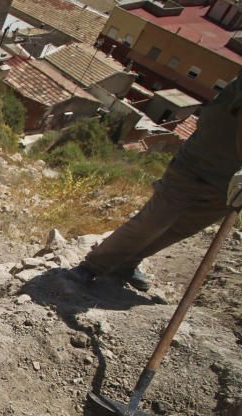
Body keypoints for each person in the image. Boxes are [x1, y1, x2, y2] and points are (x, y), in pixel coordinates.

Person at [70, 75, 242, 291]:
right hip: (198, 166)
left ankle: (126, 264)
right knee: (155, 220)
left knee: (181, 229)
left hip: (227, 186)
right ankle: (93, 266)